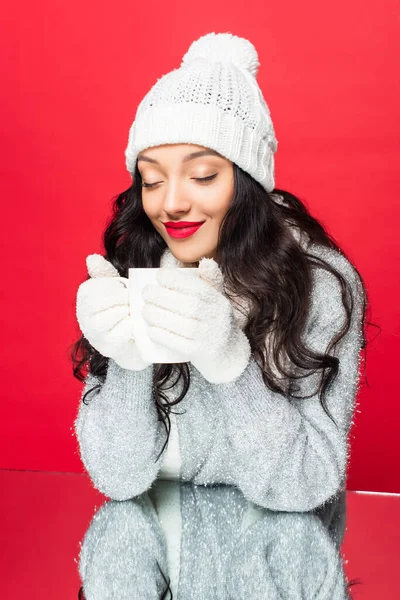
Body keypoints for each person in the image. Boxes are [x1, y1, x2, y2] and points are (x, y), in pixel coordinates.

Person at [71, 32, 371, 513]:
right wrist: (126, 360)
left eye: (203, 175)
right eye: (151, 180)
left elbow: (307, 485)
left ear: (247, 180)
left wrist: (230, 363)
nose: (171, 203)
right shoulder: (136, 268)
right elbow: (116, 478)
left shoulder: (318, 284)